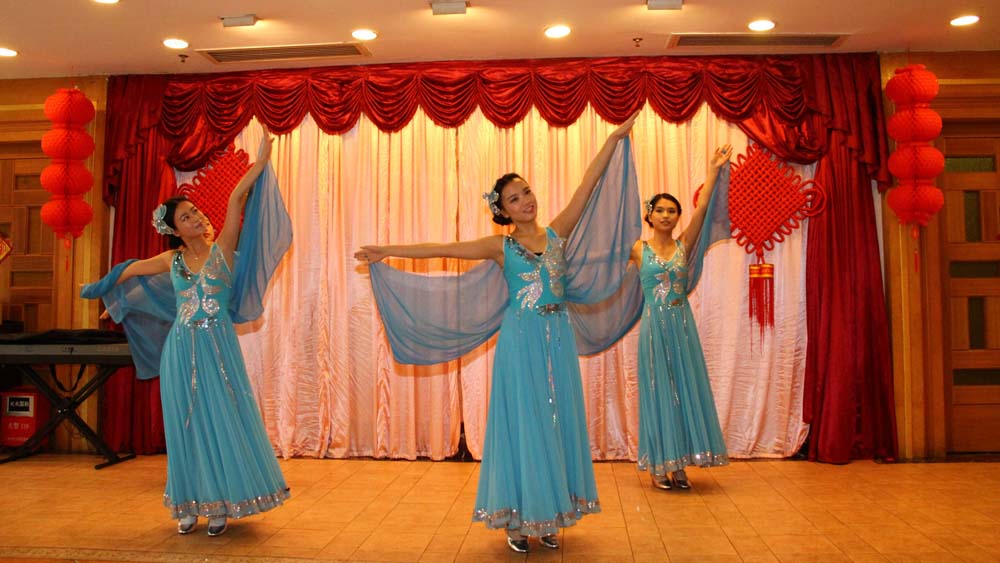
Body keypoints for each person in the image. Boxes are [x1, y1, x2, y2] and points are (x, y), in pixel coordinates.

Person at [356, 112, 640, 553]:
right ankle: (516, 519)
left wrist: (613, 139)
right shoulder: (500, 246)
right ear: (502, 211)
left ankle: (549, 513)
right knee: (524, 424)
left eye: (526, 191)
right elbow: (442, 249)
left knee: (556, 421)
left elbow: (589, 185)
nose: (525, 200)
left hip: (558, 338)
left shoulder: (558, 233)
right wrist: (387, 250)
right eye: (513, 198)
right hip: (521, 342)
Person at [82, 135, 292, 537]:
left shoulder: (222, 250)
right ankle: (188, 503)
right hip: (179, 351)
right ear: (175, 231)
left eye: (195, 211)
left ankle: (220, 504)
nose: (195, 217)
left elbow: (236, 200)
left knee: (221, 421)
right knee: (185, 425)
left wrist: (261, 163)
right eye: (186, 217)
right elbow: (129, 272)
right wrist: (104, 293)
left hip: (218, 350)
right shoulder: (171, 260)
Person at [630, 144, 733, 490]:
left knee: (685, 390)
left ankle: (680, 463)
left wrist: (713, 170)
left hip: (682, 326)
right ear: (649, 215)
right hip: (654, 329)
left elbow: (702, 208)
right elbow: (603, 257)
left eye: (672, 211)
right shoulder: (638, 249)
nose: (666, 215)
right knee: (658, 392)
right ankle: (660, 464)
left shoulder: (683, 244)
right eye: (660, 210)